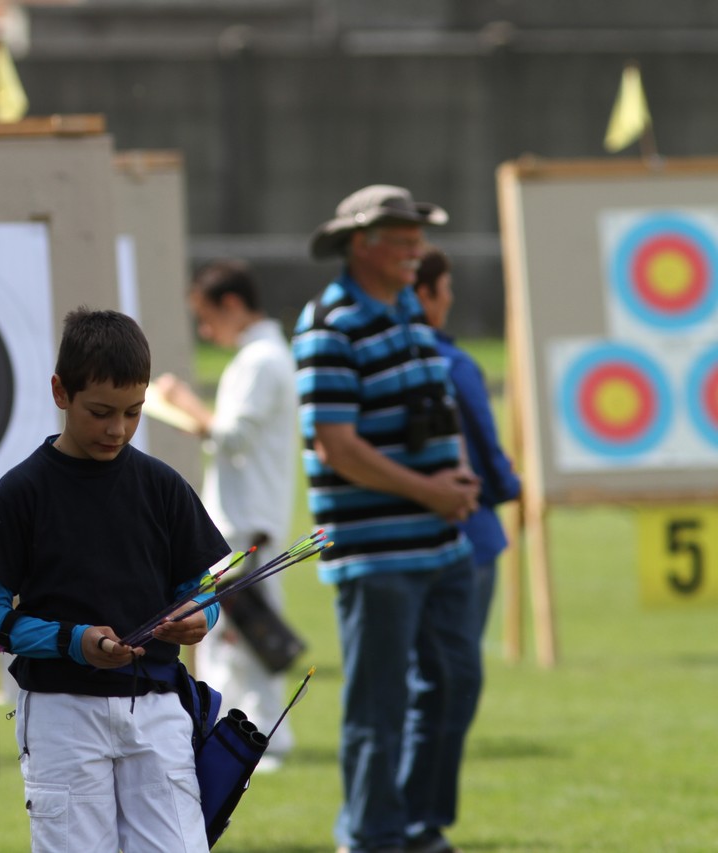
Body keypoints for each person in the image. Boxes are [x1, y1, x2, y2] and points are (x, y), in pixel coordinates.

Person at [0, 308, 232, 853]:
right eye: (100, 412)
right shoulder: (20, 493)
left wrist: (197, 616)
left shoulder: (162, 485)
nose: (117, 429)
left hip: (157, 705)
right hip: (62, 711)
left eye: (133, 413)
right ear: (60, 392)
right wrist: (73, 641)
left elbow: (202, 591)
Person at [292, 185, 482, 853]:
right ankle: (372, 835)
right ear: (360, 245)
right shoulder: (328, 325)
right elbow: (335, 445)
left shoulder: (406, 308)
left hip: (441, 541)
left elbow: (441, 404)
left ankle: (418, 824)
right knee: (379, 707)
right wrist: (432, 490)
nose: (416, 251)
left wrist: (455, 476)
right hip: (376, 552)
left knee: (456, 682)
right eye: (402, 239)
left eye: (416, 237)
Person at [151, 259, 300, 770]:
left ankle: (261, 736)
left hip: (247, 517)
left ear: (232, 304)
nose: (205, 329)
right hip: (246, 512)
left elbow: (232, 433)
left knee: (244, 635)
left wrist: (180, 401)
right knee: (234, 635)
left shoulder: (262, 359)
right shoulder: (260, 356)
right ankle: (246, 731)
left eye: (207, 316)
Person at [412, 247, 521, 643]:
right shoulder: (452, 364)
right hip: (468, 535)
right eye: (445, 287)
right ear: (423, 293)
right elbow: (486, 452)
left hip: (403, 547)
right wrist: (512, 485)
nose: (451, 297)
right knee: (453, 678)